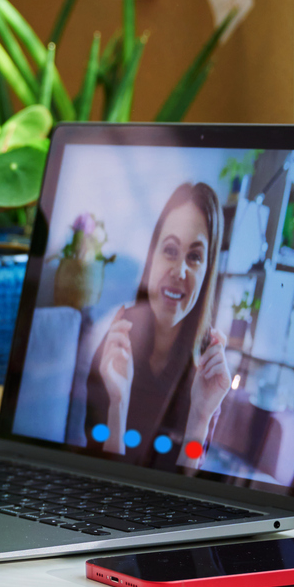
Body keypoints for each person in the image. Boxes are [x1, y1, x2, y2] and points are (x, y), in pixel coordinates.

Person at [83, 181, 232, 473]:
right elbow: (95, 472)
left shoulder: (207, 371)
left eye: (194, 257)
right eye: (170, 250)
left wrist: (201, 417)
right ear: (152, 257)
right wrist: (118, 404)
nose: (179, 271)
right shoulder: (116, 343)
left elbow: (186, 483)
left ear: (207, 272)